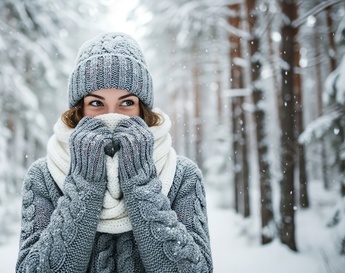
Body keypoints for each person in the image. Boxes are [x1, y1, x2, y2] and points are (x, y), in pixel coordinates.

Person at [16, 32, 213, 273]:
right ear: (79, 110)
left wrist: (141, 183)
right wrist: (83, 184)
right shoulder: (43, 176)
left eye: (127, 103)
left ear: (142, 110)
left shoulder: (183, 175)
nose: (113, 115)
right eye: (97, 104)